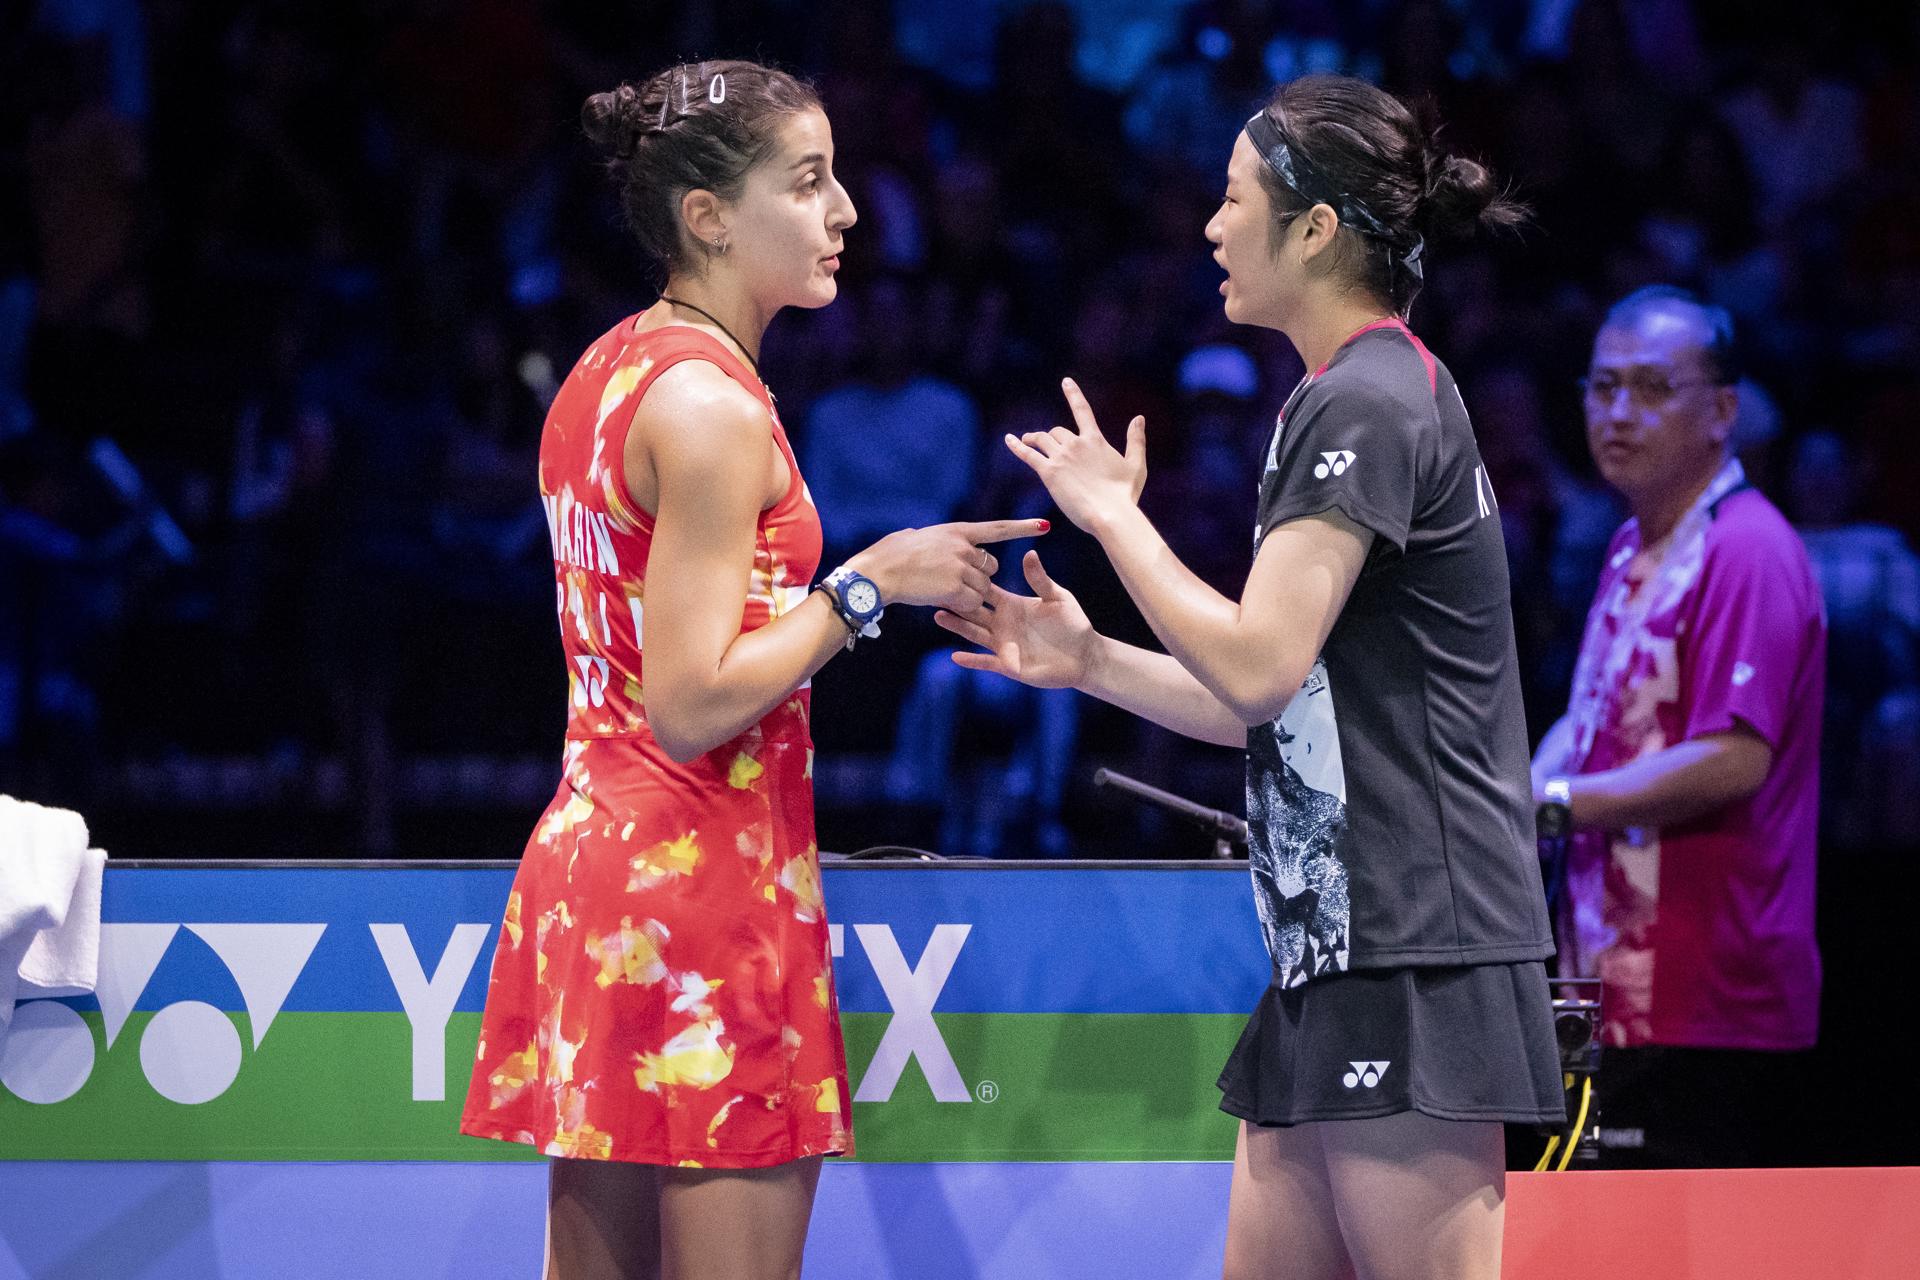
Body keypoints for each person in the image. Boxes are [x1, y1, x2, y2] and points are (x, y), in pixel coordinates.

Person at [941, 75, 1561, 1279]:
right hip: (1332, 943)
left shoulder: (1373, 399)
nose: (1213, 227)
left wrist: (1117, 521)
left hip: (1414, 941)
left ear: (1315, 228)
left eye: (1235, 200)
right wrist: (1091, 659)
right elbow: (1285, 713)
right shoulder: (1335, 400)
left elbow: (1261, 667)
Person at [456, 60, 1045, 1280]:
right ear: (708, 215)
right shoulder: (714, 410)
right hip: (702, 896)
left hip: (598, 877)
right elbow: (691, 701)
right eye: (811, 182)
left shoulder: (607, 370)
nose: (847, 214)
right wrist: (872, 579)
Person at [1530, 286, 1825, 1168]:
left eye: (1654, 389)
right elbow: (1584, 729)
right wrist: (1508, 799)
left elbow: (1734, 758)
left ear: (1722, 410)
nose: (1619, 413)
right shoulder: (1628, 550)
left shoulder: (1749, 549)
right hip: (1605, 990)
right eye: (1603, 386)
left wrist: (1548, 807)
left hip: (1706, 1003)